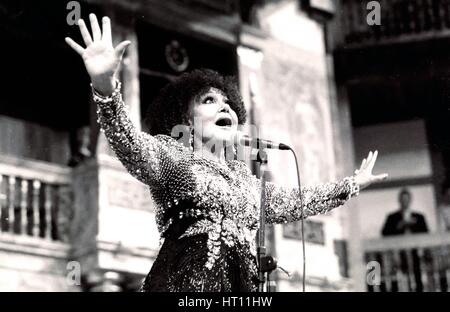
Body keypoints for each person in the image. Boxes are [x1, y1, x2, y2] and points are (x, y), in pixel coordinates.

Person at [65, 14, 388, 292]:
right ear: (184, 120)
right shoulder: (172, 156)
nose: (225, 106)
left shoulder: (247, 183)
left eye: (229, 103)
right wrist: (105, 88)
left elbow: (297, 199)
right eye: (209, 101)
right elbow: (129, 143)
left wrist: (351, 184)